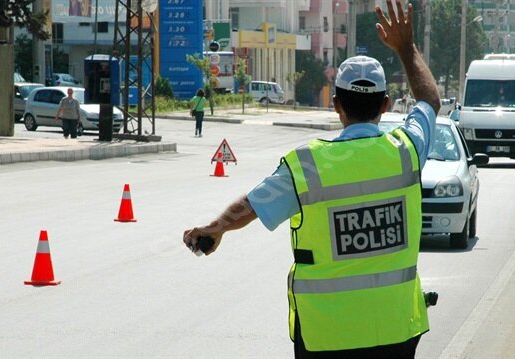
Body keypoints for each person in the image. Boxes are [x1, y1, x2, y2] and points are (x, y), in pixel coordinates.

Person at [183, 0, 440, 357]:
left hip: (326, 335)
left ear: (336, 105)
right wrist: (407, 48)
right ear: (385, 105)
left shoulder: (308, 166)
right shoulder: (407, 149)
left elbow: (252, 205)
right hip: (396, 330)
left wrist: (216, 228)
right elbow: (429, 101)